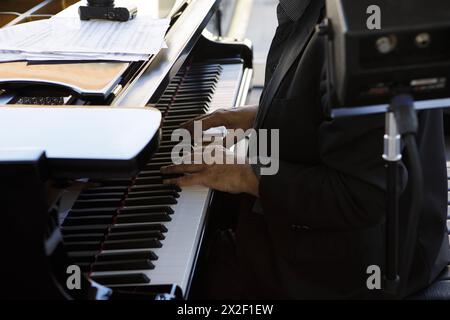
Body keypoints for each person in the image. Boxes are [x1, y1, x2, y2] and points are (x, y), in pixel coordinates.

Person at [161, 0, 449, 299]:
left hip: (358, 266)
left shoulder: (365, 26)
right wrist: (262, 116)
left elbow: (358, 198)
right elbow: (334, 108)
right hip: (336, 230)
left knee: (195, 280)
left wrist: (243, 175)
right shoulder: (315, 7)